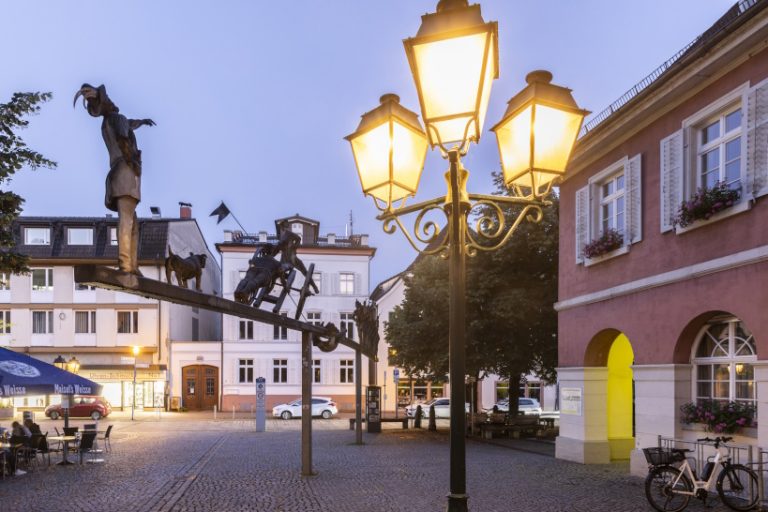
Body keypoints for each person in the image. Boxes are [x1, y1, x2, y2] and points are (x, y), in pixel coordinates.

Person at [73, 84, 155, 274]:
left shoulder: (107, 122)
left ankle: (132, 265)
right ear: (105, 103)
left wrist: (142, 122)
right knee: (127, 221)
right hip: (126, 171)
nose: (111, 101)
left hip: (116, 172)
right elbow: (124, 135)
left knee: (132, 222)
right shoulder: (117, 118)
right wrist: (133, 161)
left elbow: (129, 124)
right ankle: (126, 264)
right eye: (107, 98)